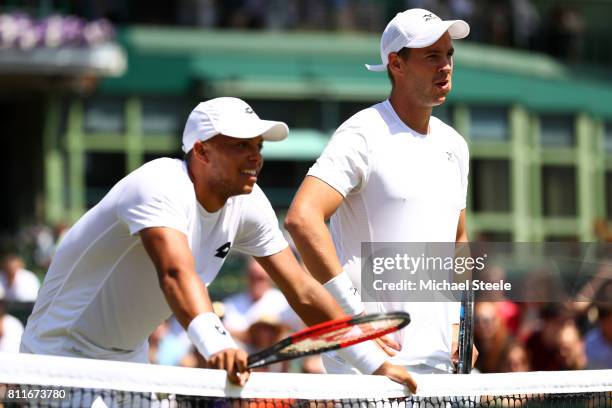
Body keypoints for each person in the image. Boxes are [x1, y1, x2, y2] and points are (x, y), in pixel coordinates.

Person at [20, 97, 416, 392]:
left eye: (259, 146)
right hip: (59, 357)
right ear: (201, 151)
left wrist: (374, 364)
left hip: (131, 360)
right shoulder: (157, 184)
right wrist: (217, 343)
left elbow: (301, 290)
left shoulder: (250, 202)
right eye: (240, 145)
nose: (255, 157)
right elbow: (175, 273)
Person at [285, 8, 476, 375]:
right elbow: (302, 218)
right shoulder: (361, 134)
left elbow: (458, 240)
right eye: (431, 56)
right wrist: (353, 317)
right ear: (396, 64)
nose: (446, 65)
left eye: (449, 54)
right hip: (372, 366)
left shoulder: (456, 145)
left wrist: (460, 323)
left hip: (439, 362)